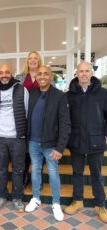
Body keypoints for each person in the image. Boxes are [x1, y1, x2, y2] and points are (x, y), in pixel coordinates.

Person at [25, 65, 71, 221]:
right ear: (36, 77)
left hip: (51, 144)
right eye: (39, 74)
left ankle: (56, 203)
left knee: (53, 172)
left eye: (46, 74)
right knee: (36, 170)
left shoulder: (59, 96)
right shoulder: (31, 94)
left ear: (51, 76)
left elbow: (65, 124)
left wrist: (60, 147)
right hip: (33, 142)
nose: (42, 76)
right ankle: (36, 198)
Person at [64, 62, 107, 223]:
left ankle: (100, 205)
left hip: (96, 140)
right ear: (76, 73)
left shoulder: (102, 94)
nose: (84, 74)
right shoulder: (69, 95)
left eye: (87, 71)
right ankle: (78, 200)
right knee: (77, 173)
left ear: (91, 73)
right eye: (81, 71)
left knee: (96, 174)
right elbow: (65, 119)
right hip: (76, 140)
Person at [0, 64, 28, 212]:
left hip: (17, 138)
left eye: (7, 72)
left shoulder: (21, 89)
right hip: (0, 138)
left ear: (12, 74)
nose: (4, 75)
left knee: (18, 169)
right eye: (1, 73)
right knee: (2, 169)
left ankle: (17, 198)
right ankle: (1, 196)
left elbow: (27, 111)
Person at [15, 51, 42, 188]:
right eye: (30, 58)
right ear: (27, 61)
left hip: (40, 118)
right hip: (23, 118)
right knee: (24, 149)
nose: (32, 60)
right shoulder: (19, 77)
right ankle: (25, 175)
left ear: (39, 60)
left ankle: (37, 177)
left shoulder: (45, 75)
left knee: (38, 147)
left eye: (35, 58)